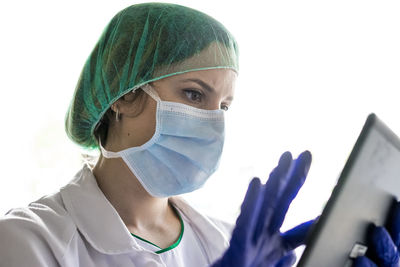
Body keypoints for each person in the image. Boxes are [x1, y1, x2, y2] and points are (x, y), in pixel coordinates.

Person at [0, 3, 398, 267]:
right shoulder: (30, 242)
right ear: (123, 94)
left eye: (224, 106)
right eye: (193, 94)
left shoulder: (229, 242)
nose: (214, 121)